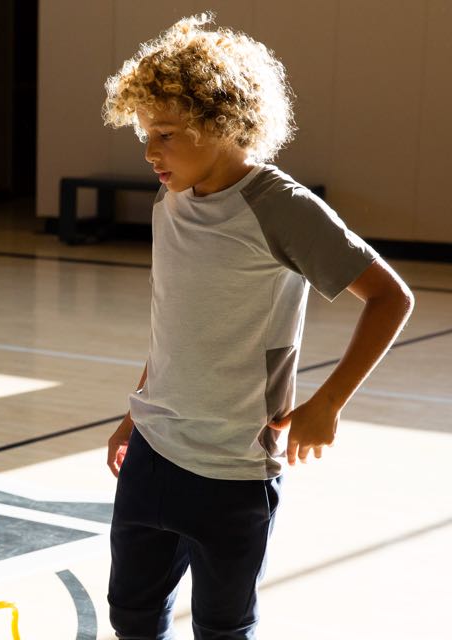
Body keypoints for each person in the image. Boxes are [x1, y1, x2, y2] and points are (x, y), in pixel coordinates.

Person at [100, 14, 414, 640]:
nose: (148, 151)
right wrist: (136, 410)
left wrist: (328, 403)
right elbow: (177, 321)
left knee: (223, 627)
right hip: (153, 455)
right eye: (144, 133)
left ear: (219, 123)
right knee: (132, 617)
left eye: (163, 134)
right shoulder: (171, 201)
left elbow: (390, 298)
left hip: (235, 471)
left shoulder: (282, 208)